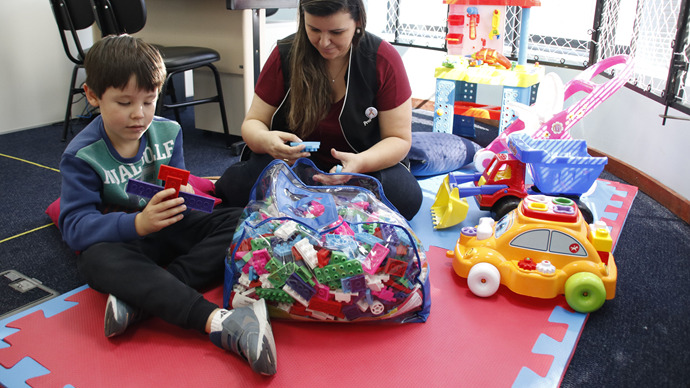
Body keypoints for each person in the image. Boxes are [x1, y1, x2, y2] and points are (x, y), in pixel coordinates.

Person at [58, 34, 277, 375]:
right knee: (94, 262)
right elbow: (74, 227)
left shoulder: (169, 131)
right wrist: (137, 224)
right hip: (126, 240)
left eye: (149, 101)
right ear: (92, 95)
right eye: (124, 103)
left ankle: (143, 300)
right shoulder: (81, 155)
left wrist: (187, 195)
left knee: (240, 221)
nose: (139, 115)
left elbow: (174, 189)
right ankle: (218, 322)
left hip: (167, 225)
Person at [215, 0, 423, 220]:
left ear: (358, 21)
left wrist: (360, 163)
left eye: (337, 32)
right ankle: (328, 205)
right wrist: (267, 140)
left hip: (360, 167)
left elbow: (398, 139)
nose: (324, 42)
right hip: (294, 167)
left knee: (406, 198)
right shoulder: (285, 53)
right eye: (313, 29)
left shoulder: (382, 60)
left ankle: (307, 204)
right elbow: (253, 123)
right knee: (234, 188)